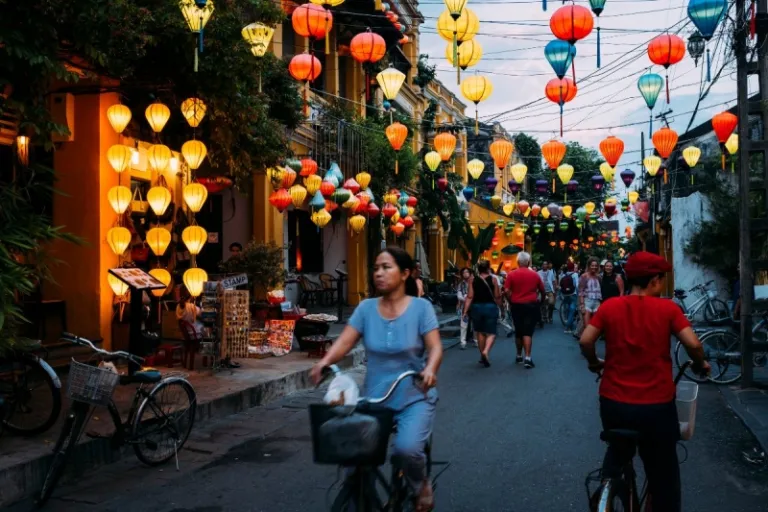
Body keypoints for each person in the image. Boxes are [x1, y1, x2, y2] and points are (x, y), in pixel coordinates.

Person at [310, 247, 442, 511]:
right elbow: (346, 340)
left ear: (405, 274)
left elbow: (435, 347)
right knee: (352, 456)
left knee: (406, 450)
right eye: (376, 267)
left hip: (413, 396)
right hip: (374, 398)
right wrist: (325, 361)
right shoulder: (366, 308)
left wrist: (429, 369)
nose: (379, 273)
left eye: (386, 267)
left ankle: (421, 484)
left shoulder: (421, 308)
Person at [579, 251, 711, 512]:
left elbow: (586, 340)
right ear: (654, 281)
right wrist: (700, 363)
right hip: (656, 407)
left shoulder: (610, 306)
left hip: (614, 403)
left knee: (618, 449)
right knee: (664, 474)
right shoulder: (668, 309)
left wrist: (594, 362)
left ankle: (610, 482)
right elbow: (694, 345)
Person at [504, 252, 545, 369]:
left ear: (517, 262)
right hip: (531, 305)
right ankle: (528, 357)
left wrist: (510, 301)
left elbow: (506, 291)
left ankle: (518, 355)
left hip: (516, 305)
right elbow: (542, 290)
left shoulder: (511, 275)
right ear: (528, 262)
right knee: (528, 331)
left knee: (518, 330)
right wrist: (540, 302)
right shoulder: (535, 275)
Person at [462, 259, 501, 368]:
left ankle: (482, 354)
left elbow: (469, 296)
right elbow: (497, 296)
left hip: (477, 308)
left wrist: (465, 311)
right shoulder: (493, 280)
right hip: (490, 307)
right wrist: (501, 307)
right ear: (488, 268)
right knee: (492, 332)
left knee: (480, 332)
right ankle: (486, 351)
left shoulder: (472, 280)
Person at [578, 258, 602, 333]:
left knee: (595, 327)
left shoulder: (599, 277)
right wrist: (582, 305)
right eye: (592, 265)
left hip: (597, 303)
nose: (594, 267)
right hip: (587, 302)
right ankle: (584, 342)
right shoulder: (584, 276)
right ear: (589, 266)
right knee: (587, 326)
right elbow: (581, 291)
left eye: (596, 266)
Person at [456, 267, 476, 350]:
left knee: (475, 324)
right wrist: (465, 299)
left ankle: (476, 340)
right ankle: (463, 342)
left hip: (474, 306)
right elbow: (459, 294)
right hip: (465, 306)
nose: (465, 274)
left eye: (467, 272)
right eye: (464, 272)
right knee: (464, 324)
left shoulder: (475, 283)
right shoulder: (461, 284)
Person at [559, 261, 579, 334]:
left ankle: (568, 324)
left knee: (567, 309)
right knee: (572, 310)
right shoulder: (575, 275)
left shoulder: (564, 275)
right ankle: (567, 327)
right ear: (573, 267)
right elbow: (577, 285)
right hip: (573, 294)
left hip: (565, 294)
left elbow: (561, 284)